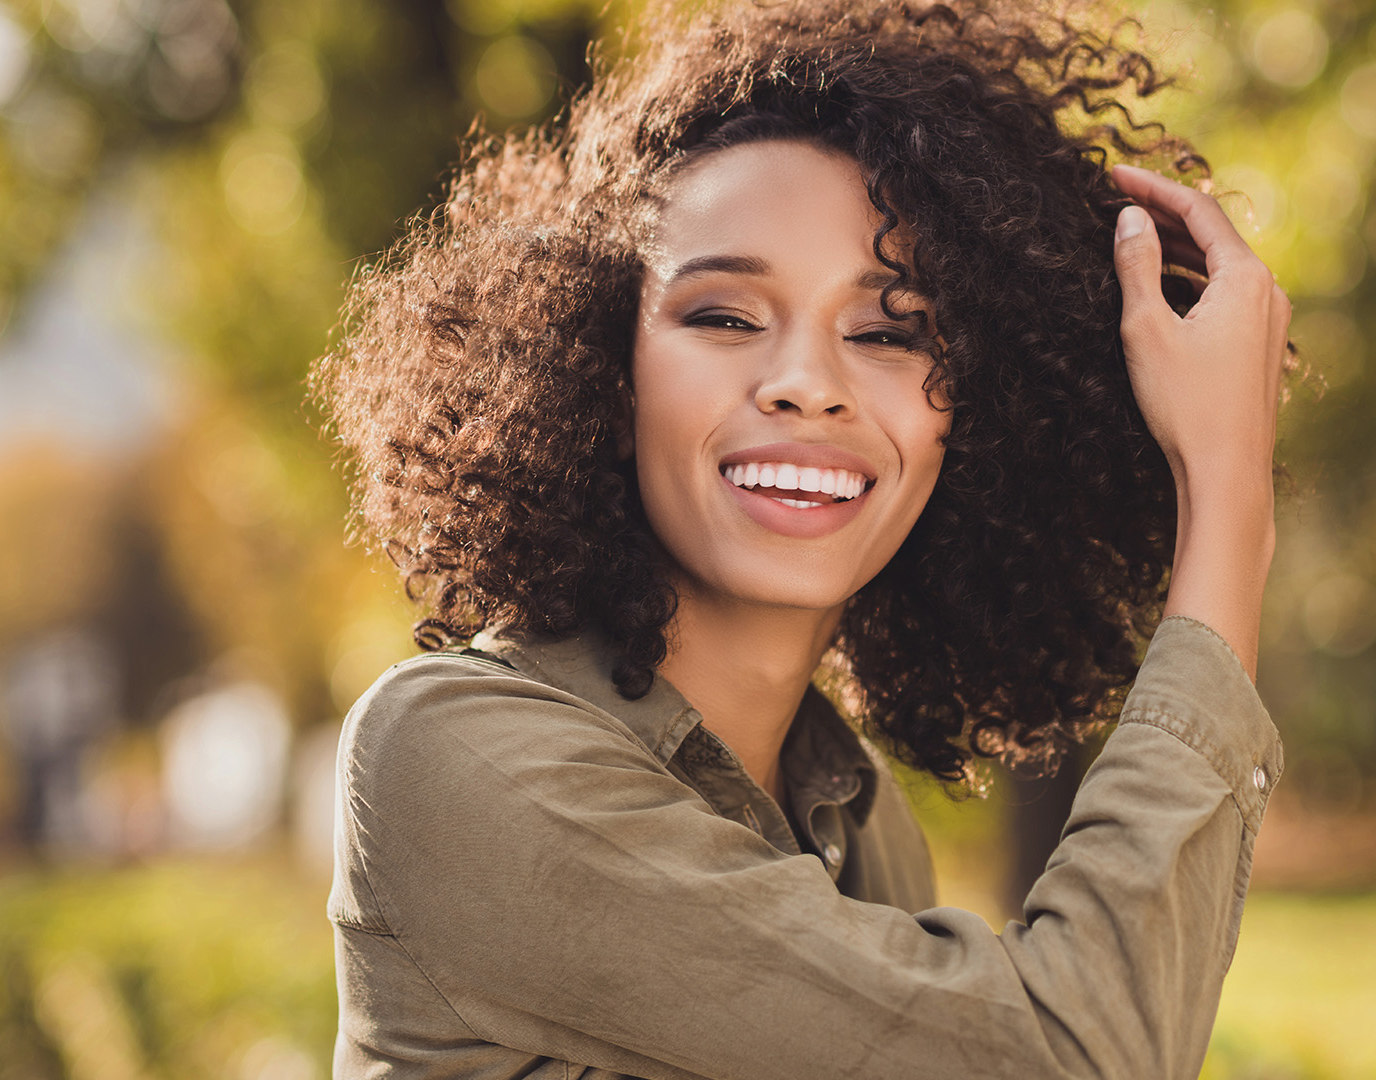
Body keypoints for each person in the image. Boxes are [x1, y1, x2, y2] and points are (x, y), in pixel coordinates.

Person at [313, 0, 1291, 1075]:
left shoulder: (862, 825)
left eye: (886, 332)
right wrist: (1226, 488)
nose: (806, 387)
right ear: (604, 360)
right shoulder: (456, 751)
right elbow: (1073, 1052)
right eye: (725, 317)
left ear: (975, 414)